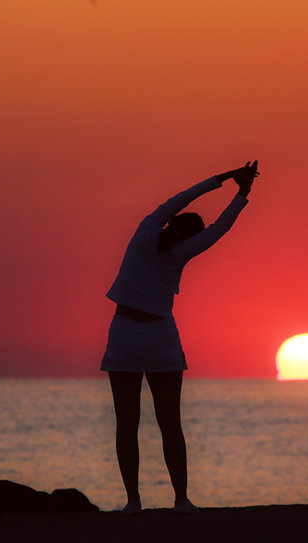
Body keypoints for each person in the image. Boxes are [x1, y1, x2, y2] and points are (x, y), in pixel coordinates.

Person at [100, 161, 259, 514]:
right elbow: (220, 228)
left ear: (169, 223)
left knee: (127, 423)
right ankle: (181, 500)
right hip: (159, 337)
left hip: (126, 333)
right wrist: (243, 192)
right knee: (169, 421)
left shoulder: (144, 231)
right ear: (188, 235)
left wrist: (222, 178)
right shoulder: (182, 250)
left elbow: (181, 198)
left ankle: (133, 502)